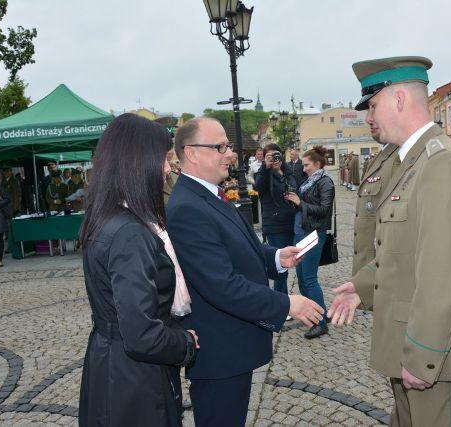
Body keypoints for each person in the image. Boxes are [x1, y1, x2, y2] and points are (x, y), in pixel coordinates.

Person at [328, 56, 451, 426]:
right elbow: (399, 249)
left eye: (373, 105)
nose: (368, 117)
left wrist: (424, 355)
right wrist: (363, 286)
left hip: (436, 356)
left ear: (399, 99)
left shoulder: (442, 163)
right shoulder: (409, 162)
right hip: (406, 341)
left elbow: (444, 272)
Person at [166, 117, 323, 427]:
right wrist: (288, 304)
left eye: (229, 146)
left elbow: (237, 248)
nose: (230, 154)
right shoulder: (187, 207)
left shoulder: (209, 194)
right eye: (220, 147)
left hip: (232, 349)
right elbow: (221, 285)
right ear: (192, 153)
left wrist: (277, 257)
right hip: (219, 354)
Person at [78, 113, 198, 427]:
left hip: (113, 366)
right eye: (165, 159)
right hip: (135, 381)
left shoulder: (107, 218)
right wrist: (185, 343)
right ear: (138, 161)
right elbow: (141, 334)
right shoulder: (130, 233)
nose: (169, 168)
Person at [284, 146, 334, 339]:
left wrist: (300, 203)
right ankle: (314, 313)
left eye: (306, 165)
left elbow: (323, 210)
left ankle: (320, 323)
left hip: (313, 234)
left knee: (309, 278)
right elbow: (304, 206)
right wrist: (292, 200)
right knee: (302, 277)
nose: (303, 168)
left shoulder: (325, 182)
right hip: (301, 232)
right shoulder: (310, 181)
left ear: (317, 164)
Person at [352, 136, 398, 277]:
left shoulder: (399, 158)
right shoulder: (384, 155)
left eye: (374, 112)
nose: (369, 119)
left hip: (379, 269)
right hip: (367, 266)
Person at [255, 143, 297, 295]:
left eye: (277, 155)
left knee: (294, 263)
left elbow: (294, 187)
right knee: (280, 268)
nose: (275, 158)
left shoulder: (287, 171)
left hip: (292, 223)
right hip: (275, 226)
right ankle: (282, 302)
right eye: (270, 156)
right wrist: (266, 166)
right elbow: (259, 186)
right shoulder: (263, 173)